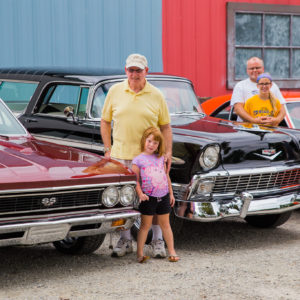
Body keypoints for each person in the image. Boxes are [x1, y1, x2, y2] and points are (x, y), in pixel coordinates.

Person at [101, 53, 172, 258]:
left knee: (156, 200)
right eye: (131, 70)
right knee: (124, 201)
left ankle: (157, 241)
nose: (134, 74)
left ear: (146, 71)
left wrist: (166, 153)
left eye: (138, 70)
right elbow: (105, 122)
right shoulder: (115, 91)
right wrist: (107, 149)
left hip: (150, 158)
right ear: (126, 71)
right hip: (120, 157)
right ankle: (125, 240)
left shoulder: (156, 94)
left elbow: (165, 127)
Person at [132, 127, 179, 263]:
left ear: (159, 145)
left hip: (163, 196)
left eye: (155, 143)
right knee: (145, 226)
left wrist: (171, 194)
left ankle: (172, 250)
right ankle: (140, 253)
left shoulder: (160, 159)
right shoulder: (138, 160)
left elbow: (166, 176)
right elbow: (135, 180)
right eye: (149, 141)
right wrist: (140, 194)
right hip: (148, 198)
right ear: (144, 141)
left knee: (166, 225)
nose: (152, 145)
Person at [230, 57, 286, 126]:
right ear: (247, 70)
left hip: (270, 130)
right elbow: (238, 109)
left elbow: (282, 110)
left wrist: (277, 120)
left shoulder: (273, 85)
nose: (255, 70)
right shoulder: (240, 86)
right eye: (251, 68)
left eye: (257, 68)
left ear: (263, 69)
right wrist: (253, 121)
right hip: (246, 130)